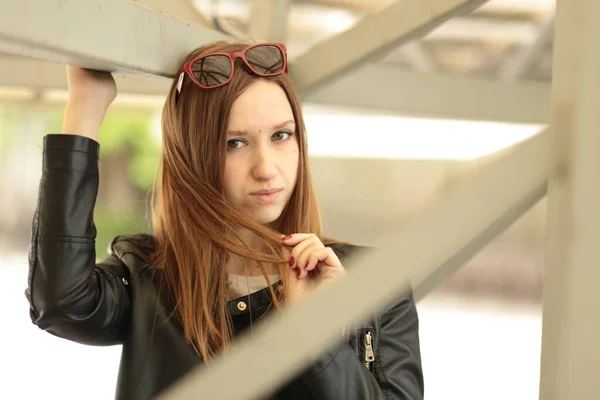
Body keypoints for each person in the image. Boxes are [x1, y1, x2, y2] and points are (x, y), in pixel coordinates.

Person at [26, 41, 424, 399]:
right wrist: (86, 104)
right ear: (193, 159)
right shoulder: (152, 275)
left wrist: (315, 331)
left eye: (282, 136)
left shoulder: (374, 284)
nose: (266, 168)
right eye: (235, 143)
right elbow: (61, 303)